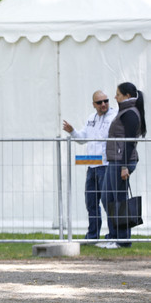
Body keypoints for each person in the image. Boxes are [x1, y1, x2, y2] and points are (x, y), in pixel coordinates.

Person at [62, 90, 116, 240]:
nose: (103, 104)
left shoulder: (114, 116)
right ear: (93, 104)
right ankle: (92, 235)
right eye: (99, 102)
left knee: (108, 202)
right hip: (92, 164)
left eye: (106, 101)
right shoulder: (90, 118)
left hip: (106, 164)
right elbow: (82, 139)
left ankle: (113, 235)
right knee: (91, 202)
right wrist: (72, 131)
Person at [102, 82, 146, 249]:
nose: (115, 97)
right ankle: (113, 235)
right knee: (107, 198)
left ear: (127, 96)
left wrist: (124, 166)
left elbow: (129, 143)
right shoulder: (125, 111)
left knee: (119, 201)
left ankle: (123, 240)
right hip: (114, 161)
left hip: (122, 162)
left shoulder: (130, 114)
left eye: (118, 94)